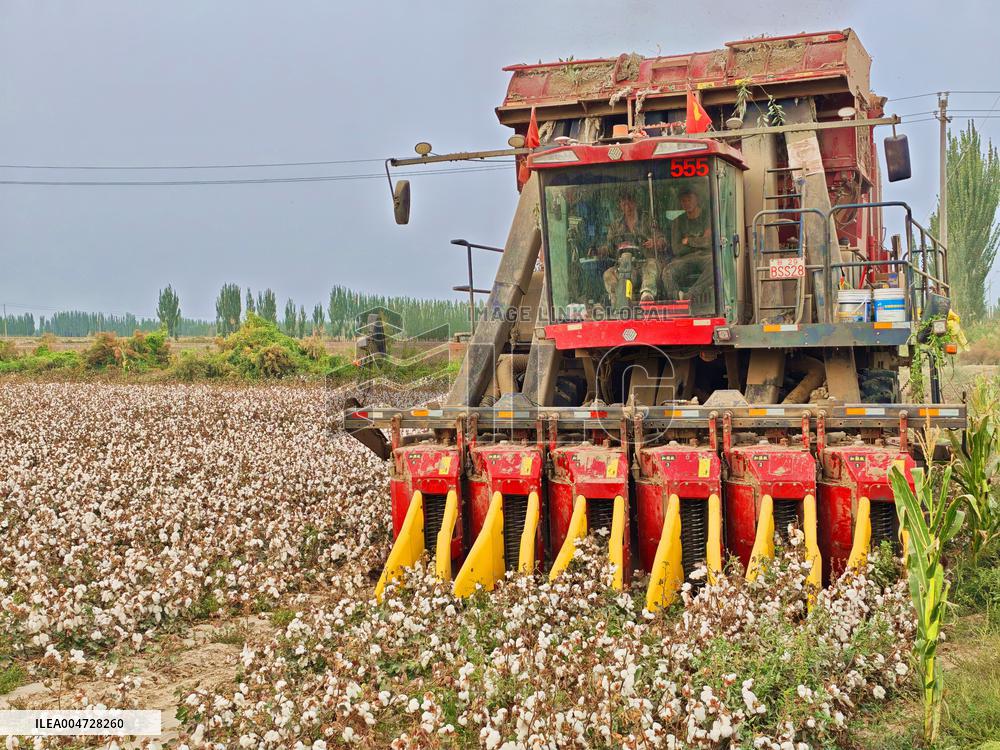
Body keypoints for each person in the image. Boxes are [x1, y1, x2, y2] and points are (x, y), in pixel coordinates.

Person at [601, 194, 665, 305]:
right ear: (620, 205)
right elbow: (610, 248)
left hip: (645, 265)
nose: (627, 206)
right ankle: (618, 300)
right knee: (608, 274)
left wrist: (655, 242)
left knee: (652, 263)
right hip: (625, 268)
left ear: (635, 203)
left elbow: (662, 240)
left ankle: (647, 295)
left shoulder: (647, 220)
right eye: (624, 203)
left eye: (629, 202)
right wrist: (599, 251)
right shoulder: (615, 226)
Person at [662, 188, 712, 300]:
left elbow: (709, 242)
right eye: (683, 201)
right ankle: (677, 300)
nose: (686, 203)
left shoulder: (708, 217)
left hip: (706, 257)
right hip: (685, 259)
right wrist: (700, 241)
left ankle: (690, 295)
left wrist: (689, 241)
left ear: (697, 199)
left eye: (689, 199)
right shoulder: (678, 221)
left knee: (716, 265)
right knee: (667, 271)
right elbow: (676, 249)